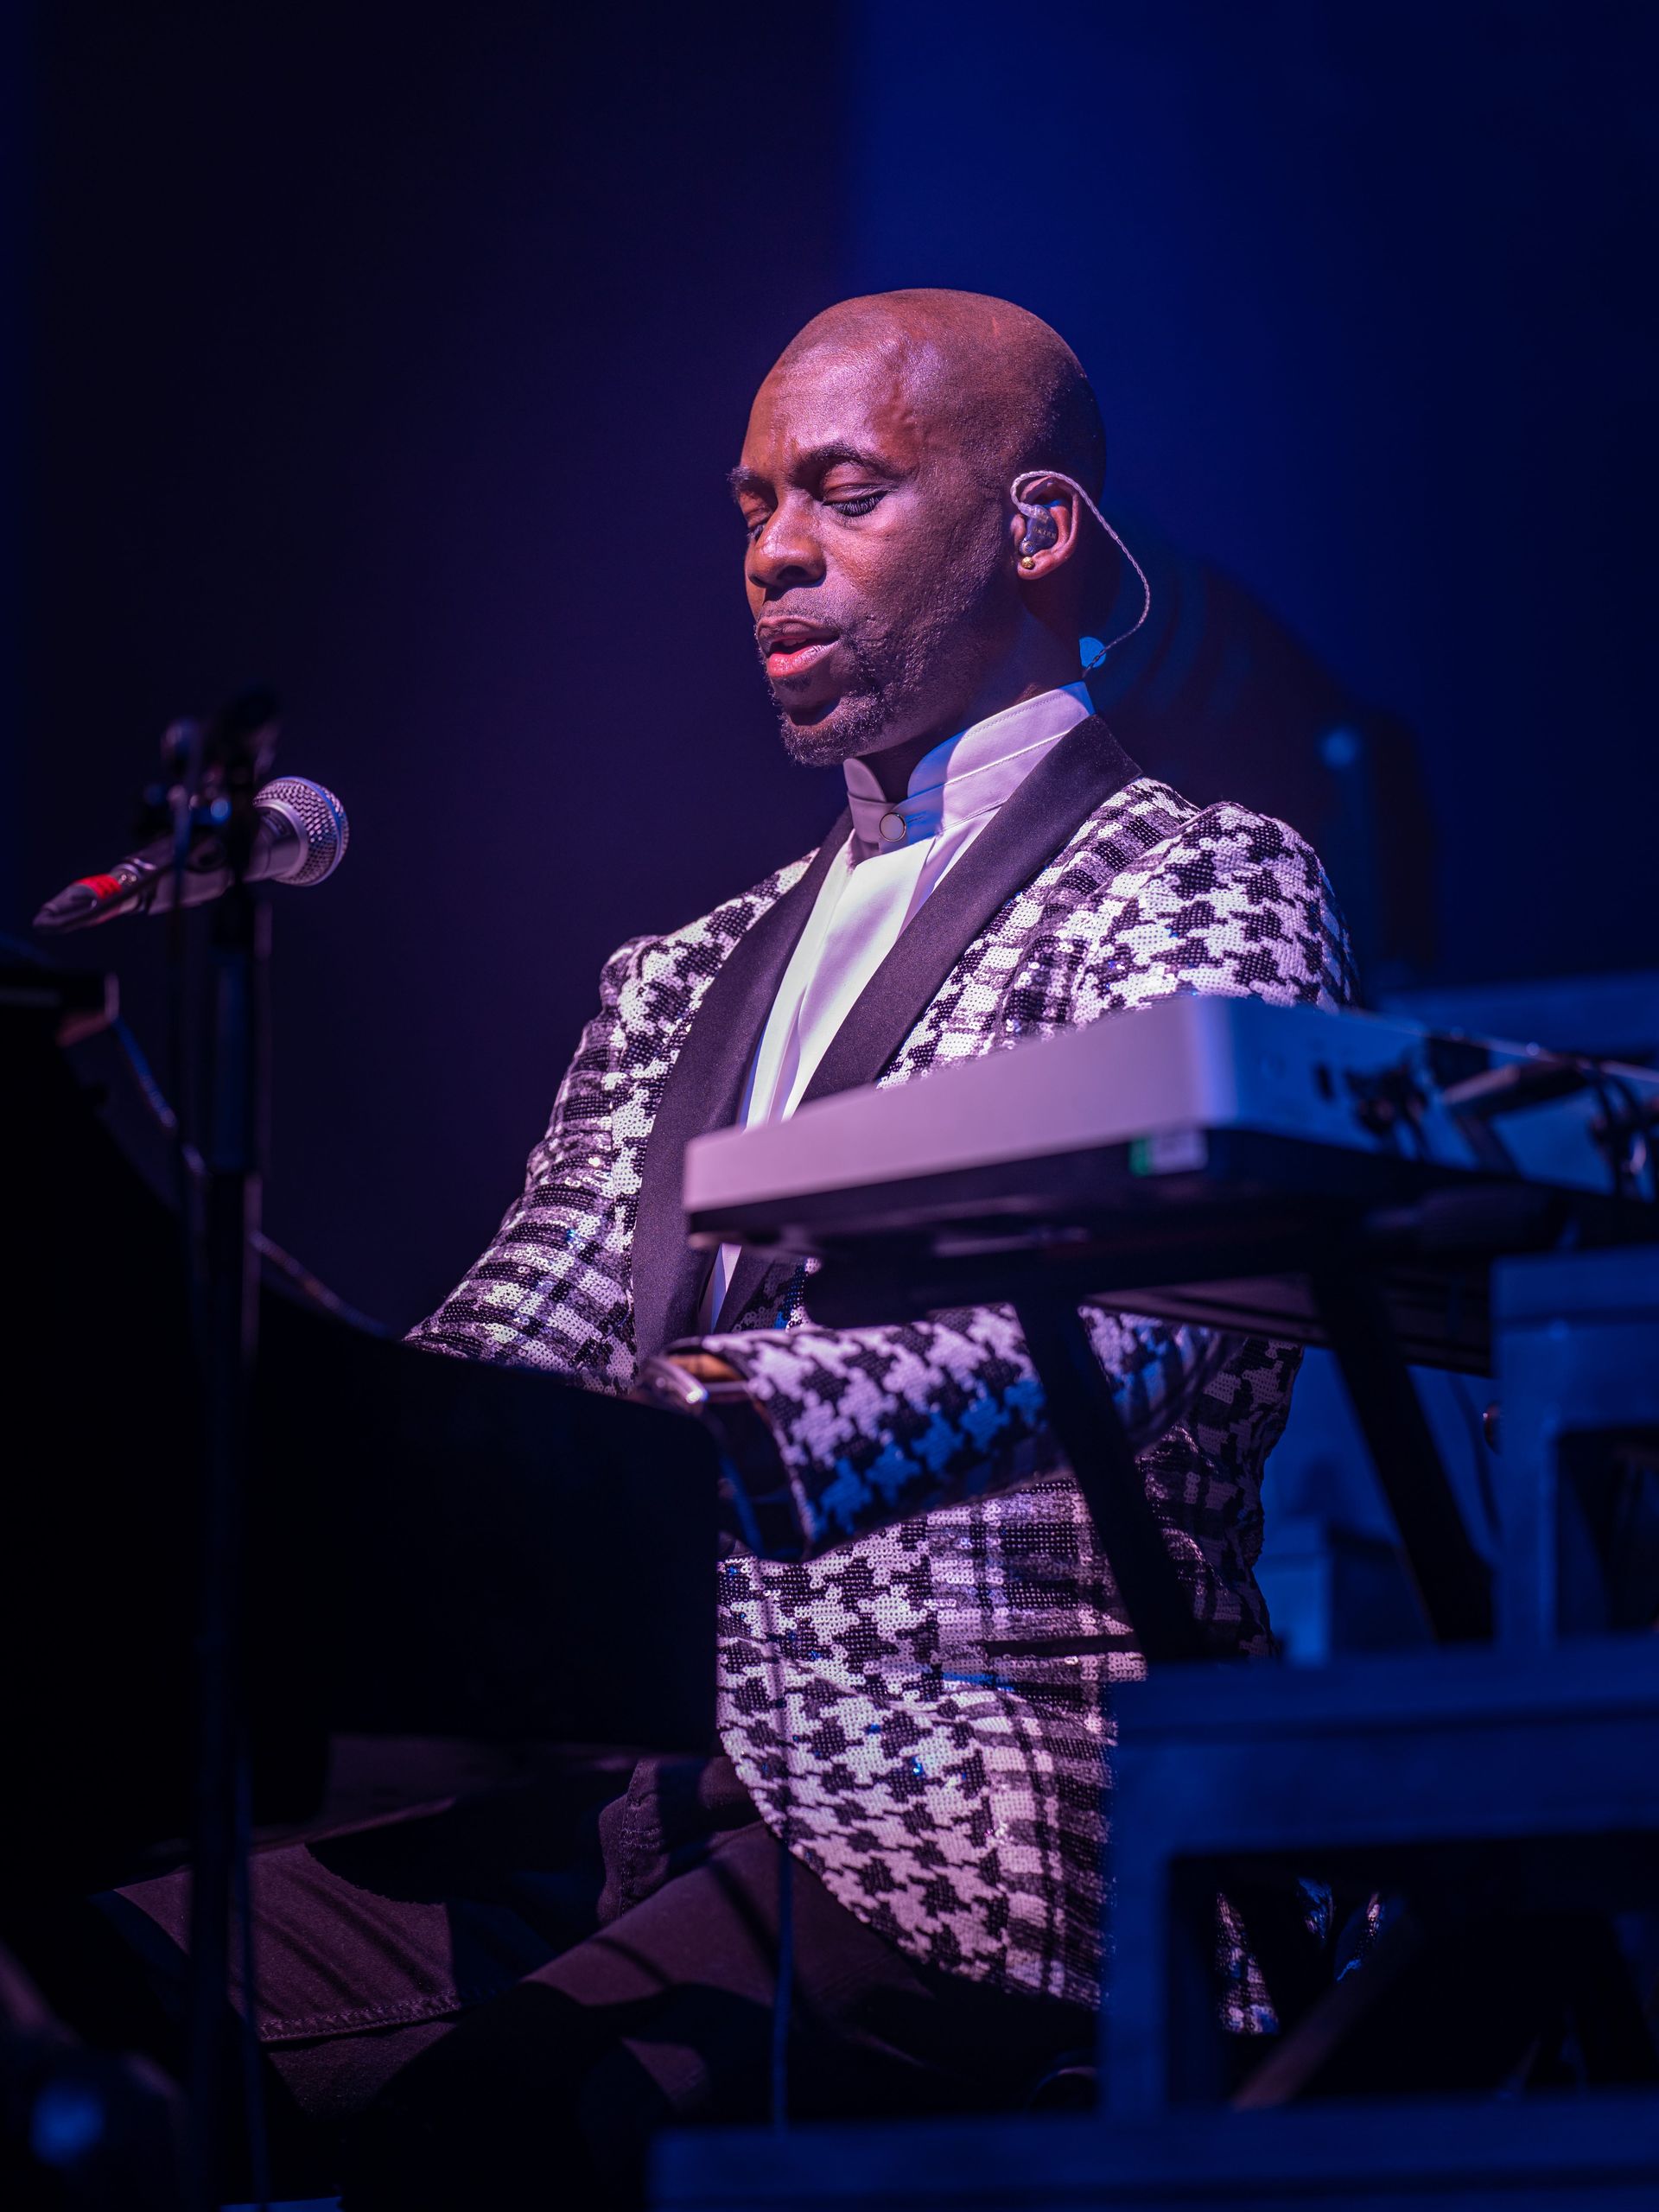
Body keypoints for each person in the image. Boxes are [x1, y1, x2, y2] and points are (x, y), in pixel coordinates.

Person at [92, 289, 1353, 2205]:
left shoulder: (1209, 872)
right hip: (606, 1790)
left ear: (1037, 528)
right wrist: (276, 1408)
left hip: (1001, 1803)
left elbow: (1104, 1309)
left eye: (843, 491)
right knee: (71, 2011)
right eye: (755, 501)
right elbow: (507, 1346)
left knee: (494, 2134)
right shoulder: (675, 972)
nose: (771, 548)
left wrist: (674, 1442)